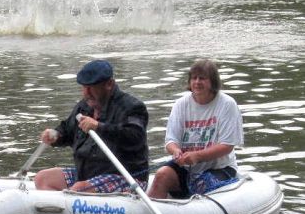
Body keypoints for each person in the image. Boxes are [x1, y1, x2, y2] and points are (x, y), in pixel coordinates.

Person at [35, 59, 149, 193]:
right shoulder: (83, 106)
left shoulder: (132, 107)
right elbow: (67, 130)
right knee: (42, 178)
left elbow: (134, 137)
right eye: (84, 87)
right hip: (87, 174)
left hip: (125, 177)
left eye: (92, 88)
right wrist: (55, 135)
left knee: (80, 188)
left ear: (109, 84)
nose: (86, 93)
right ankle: (57, 211)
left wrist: (99, 127)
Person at [148, 60, 243, 199]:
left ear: (213, 82)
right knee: (162, 175)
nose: (197, 82)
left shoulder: (227, 104)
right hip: (186, 168)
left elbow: (227, 146)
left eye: (202, 78)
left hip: (220, 168)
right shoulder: (181, 104)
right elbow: (170, 141)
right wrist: (176, 151)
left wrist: (197, 156)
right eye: (194, 78)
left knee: (202, 185)